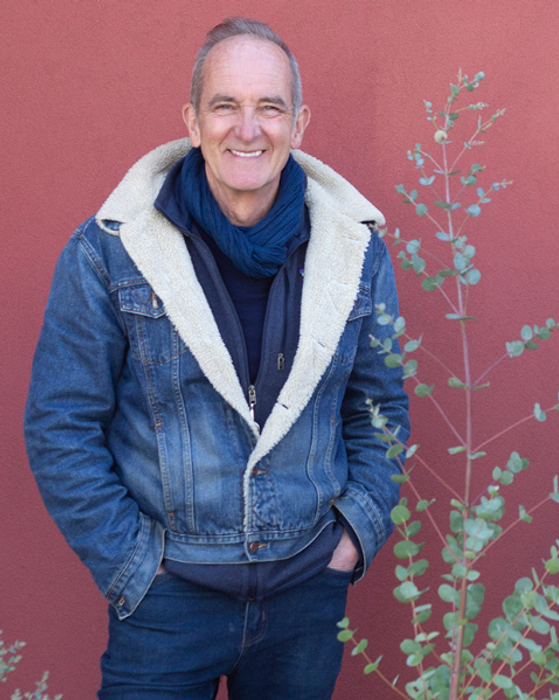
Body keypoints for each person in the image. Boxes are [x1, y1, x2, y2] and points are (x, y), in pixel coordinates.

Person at [23, 18, 409, 699]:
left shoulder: (355, 255)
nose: (248, 129)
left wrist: (351, 537)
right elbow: (60, 426)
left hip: (304, 597)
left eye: (270, 107)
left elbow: (380, 410)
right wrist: (134, 566)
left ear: (300, 123)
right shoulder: (111, 252)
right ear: (193, 122)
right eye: (226, 105)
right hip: (167, 606)